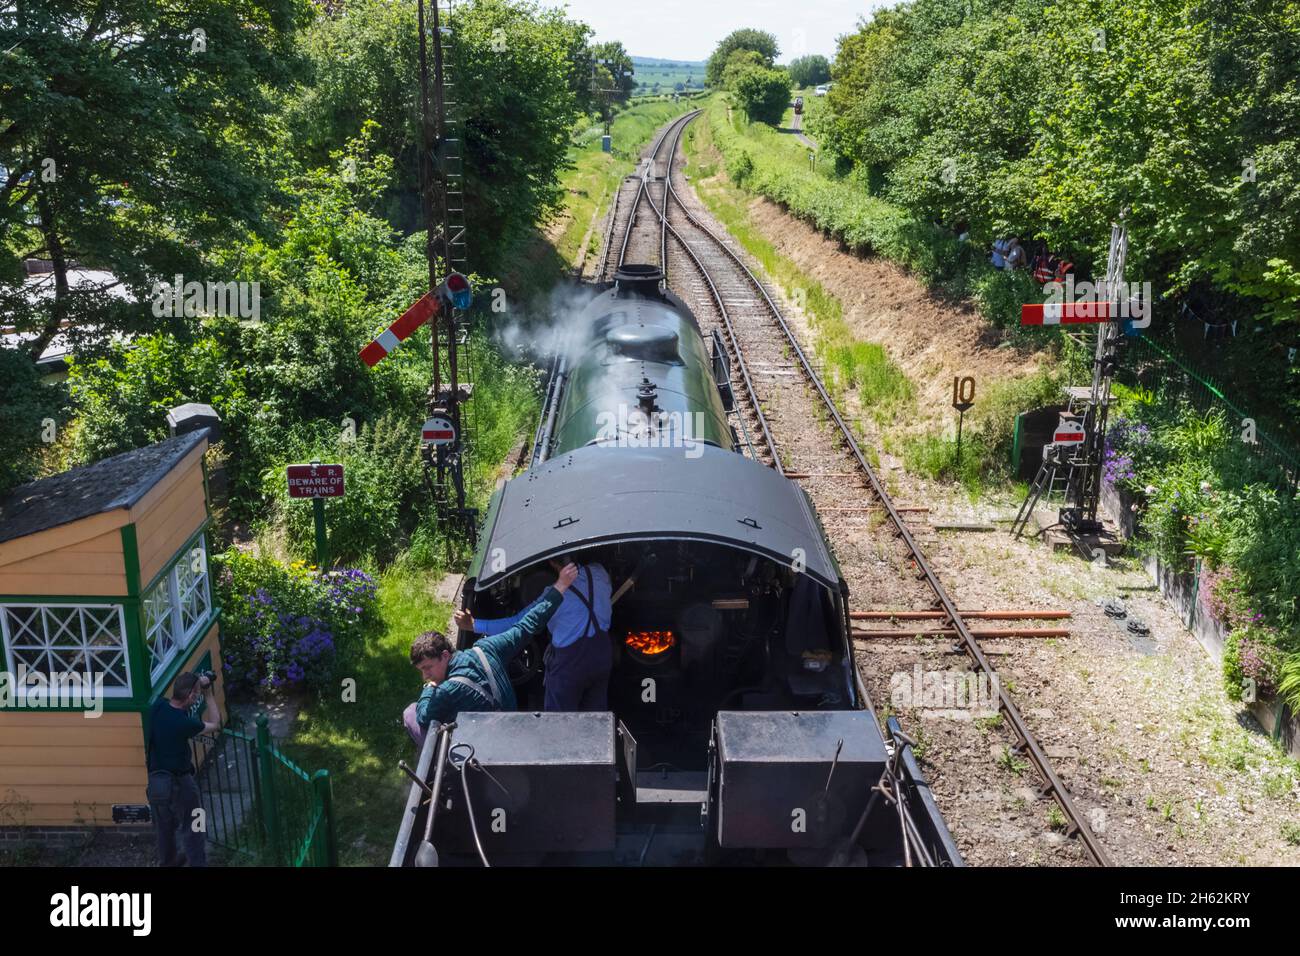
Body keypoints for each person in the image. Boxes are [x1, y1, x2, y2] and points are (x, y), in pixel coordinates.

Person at [403, 562, 579, 748]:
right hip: (512, 728)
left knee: (410, 713)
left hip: (486, 745)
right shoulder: (487, 648)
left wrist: (429, 688)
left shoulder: (446, 691)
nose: (425, 675)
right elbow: (526, 625)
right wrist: (561, 585)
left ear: (445, 655)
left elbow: (424, 716)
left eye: (427, 668)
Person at [455, 557, 613, 713]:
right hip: (602, 655)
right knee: (597, 715)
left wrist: (473, 625)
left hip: (569, 666)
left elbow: (518, 623)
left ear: (552, 563)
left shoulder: (552, 596)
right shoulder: (599, 572)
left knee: (559, 718)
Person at [146, 670, 220, 867]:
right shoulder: (184, 723)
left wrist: (194, 683)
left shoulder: (159, 706)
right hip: (180, 782)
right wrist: (208, 693)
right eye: (196, 694)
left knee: (164, 827)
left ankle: (168, 862)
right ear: (191, 696)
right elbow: (215, 723)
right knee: (195, 822)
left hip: (156, 781)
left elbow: (170, 700)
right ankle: (198, 863)